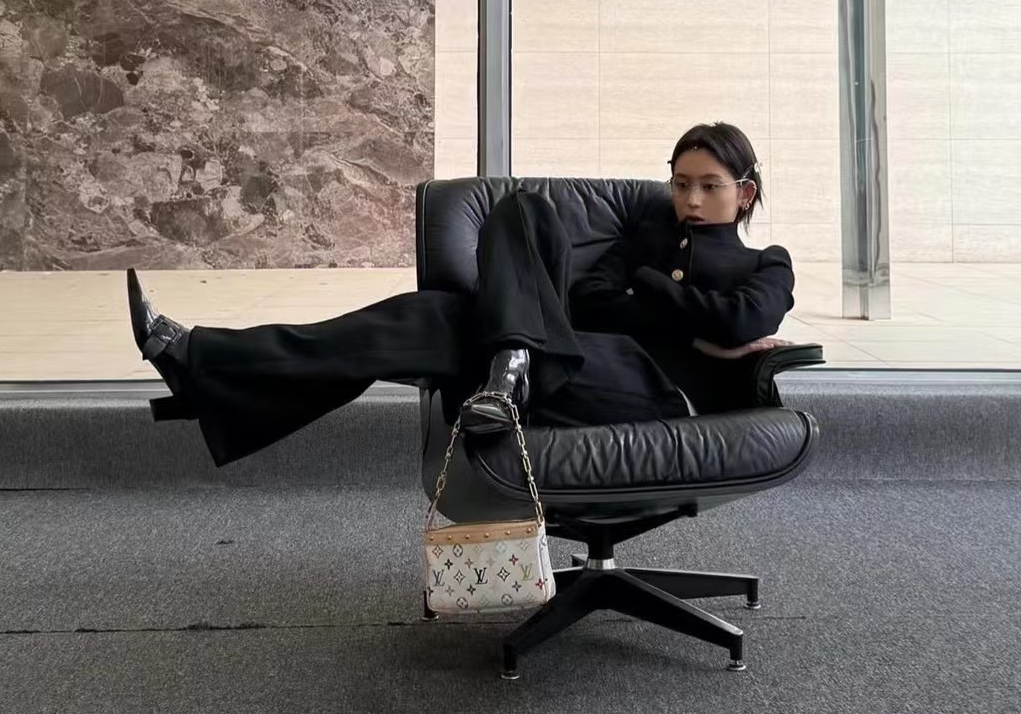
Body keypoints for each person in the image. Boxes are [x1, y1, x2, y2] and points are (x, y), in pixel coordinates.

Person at [128, 121, 795, 468]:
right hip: (568, 355)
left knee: (432, 321)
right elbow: (588, 300)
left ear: (745, 194)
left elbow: (742, 321)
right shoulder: (646, 235)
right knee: (522, 213)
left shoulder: (767, 263)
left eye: (709, 185)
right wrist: (690, 323)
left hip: (653, 389)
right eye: (680, 183)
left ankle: (200, 364)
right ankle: (511, 367)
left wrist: (648, 293)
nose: (690, 199)